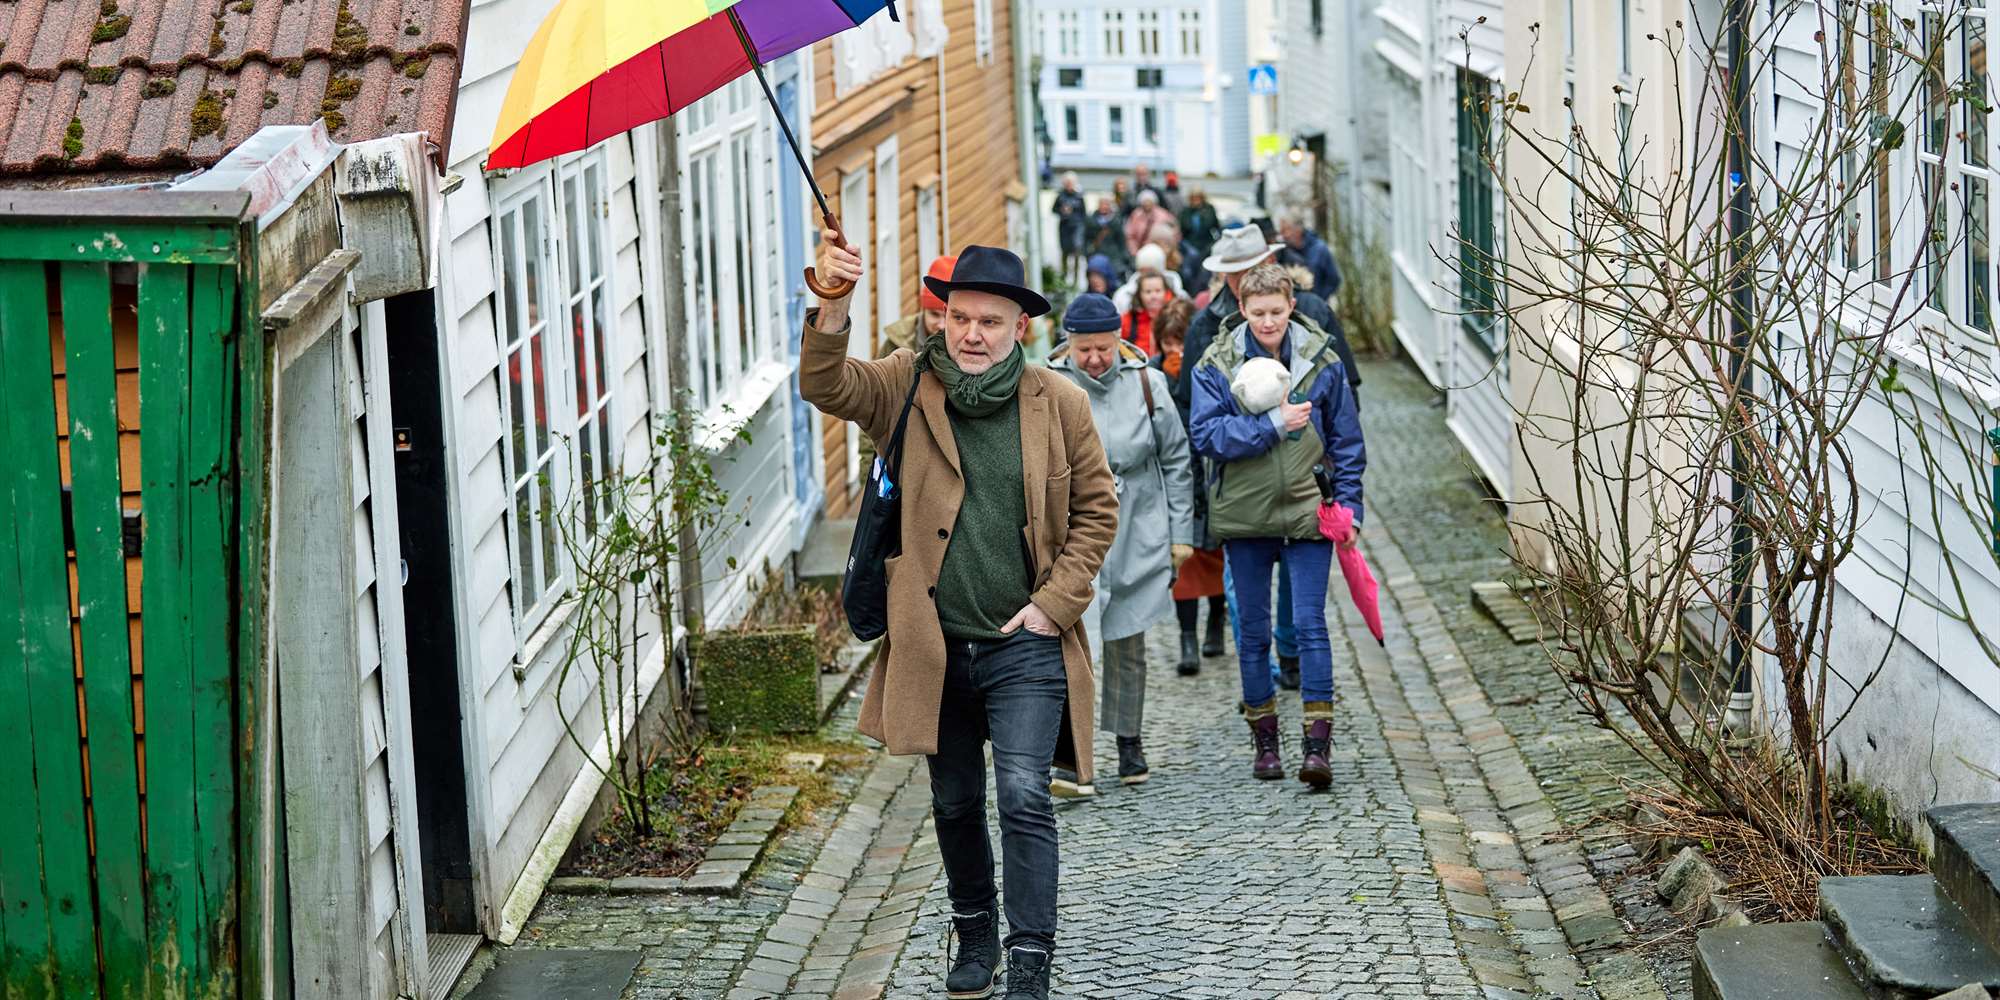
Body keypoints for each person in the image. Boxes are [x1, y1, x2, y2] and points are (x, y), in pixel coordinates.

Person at [799, 238, 1118, 1000]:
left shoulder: (1059, 402)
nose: (972, 335)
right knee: (952, 800)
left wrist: (1052, 606)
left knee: (1024, 795)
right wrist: (834, 301)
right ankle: (975, 931)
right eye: (960, 318)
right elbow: (824, 382)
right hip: (933, 647)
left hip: (1025, 648)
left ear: (1021, 328)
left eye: (991, 322)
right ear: (941, 320)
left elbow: (1096, 511)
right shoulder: (905, 387)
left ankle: (1031, 955)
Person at [1187, 262, 1365, 788]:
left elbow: (1347, 442)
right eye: (1258, 312)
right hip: (1245, 516)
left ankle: (1317, 746)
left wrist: (1349, 506)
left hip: (1310, 511)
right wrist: (1270, 425)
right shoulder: (1215, 363)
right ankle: (1265, 743)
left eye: (1277, 312)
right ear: (1242, 308)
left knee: (1311, 625)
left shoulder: (1323, 361)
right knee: (1254, 633)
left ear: (1292, 306)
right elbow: (1207, 435)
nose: (1268, 322)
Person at [1047, 293, 1193, 787]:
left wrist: (1181, 535)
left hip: (1138, 525)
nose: (1093, 359)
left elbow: (1176, 459)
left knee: (1129, 640)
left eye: (1102, 349)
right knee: (1071, 642)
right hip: (1072, 530)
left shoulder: (1148, 384)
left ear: (1118, 341)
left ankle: (1129, 741)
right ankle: (1073, 753)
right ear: (1068, 345)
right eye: (1083, 349)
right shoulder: (1048, 387)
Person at [1151, 300, 1227, 674]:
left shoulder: (1208, 373)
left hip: (1210, 477)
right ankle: (1187, 638)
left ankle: (1216, 620)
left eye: (1181, 342)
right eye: (1168, 344)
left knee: (1216, 556)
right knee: (1184, 562)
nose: (1175, 351)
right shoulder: (1152, 377)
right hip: (1175, 483)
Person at [878, 254, 957, 357]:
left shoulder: (972, 344)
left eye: (948, 316)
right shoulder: (896, 343)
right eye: (934, 314)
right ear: (923, 309)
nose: (941, 325)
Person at [1276, 212, 1344, 301]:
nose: (1283, 235)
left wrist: (1319, 299)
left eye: (1285, 230)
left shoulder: (1320, 249)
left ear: (1298, 229)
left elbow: (1333, 280)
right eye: (1281, 231)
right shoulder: (1283, 251)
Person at [1111, 243, 1187, 313]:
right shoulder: (1124, 295)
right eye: (1143, 270)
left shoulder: (1179, 295)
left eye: (1153, 271)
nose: (1148, 275)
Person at [1118, 270, 1174, 357]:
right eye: (1148, 292)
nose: (1153, 296)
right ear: (1139, 295)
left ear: (1166, 292)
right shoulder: (1127, 320)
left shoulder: (1176, 317)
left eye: (1158, 291)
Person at [1052, 173, 1088, 287]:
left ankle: (1076, 280)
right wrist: (1062, 211)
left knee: (1077, 252)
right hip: (1064, 227)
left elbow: (1084, 214)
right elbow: (1053, 209)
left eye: (1070, 183)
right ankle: (1064, 278)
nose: (1068, 185)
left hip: (1076, 227)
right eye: (1066, 183)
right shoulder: (1060, 196)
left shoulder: (1079, 196)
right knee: (1064, 252)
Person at [1084, 198, 1130, 276]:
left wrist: (1124, 255)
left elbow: (1121, 240)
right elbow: (1086, 238)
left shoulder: (1116, 221)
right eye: (1102, 205)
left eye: (1106, 205)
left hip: (1113, 255)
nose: (1104, 207)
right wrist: (1088, 252)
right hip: (1097, 253)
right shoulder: (1091, 221)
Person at [1123, 190, 1176, 257]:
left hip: (1160, 252)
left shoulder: (1163, 214)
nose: (1147, 203)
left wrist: (1168, 250)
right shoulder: (1136, 215)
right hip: (1140, 251)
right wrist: (1134, 251)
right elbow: (1130, 235)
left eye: (1149, 201)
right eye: (1145, 201)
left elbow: (1174, 230)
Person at [1178, 188, 1223, 261]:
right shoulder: (1185, 211)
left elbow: (1216, 226)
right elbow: (1183, 229)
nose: (1196, 200)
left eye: (1198, 197)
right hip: (1190, 242)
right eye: (1193, 198)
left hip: (1206, 241)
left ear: (1202, 198)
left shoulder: (1209, 209)